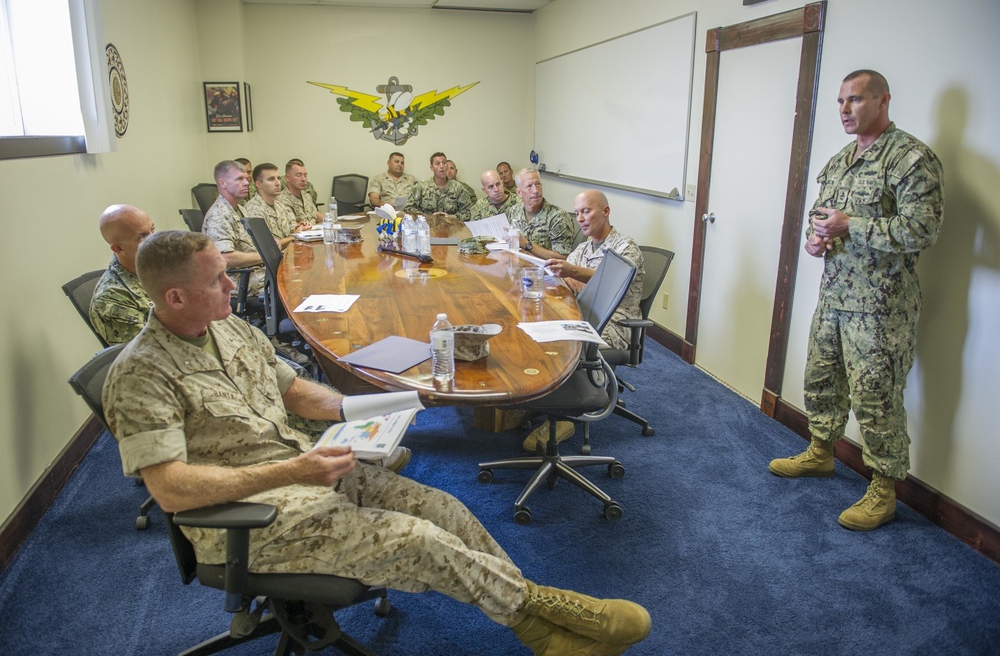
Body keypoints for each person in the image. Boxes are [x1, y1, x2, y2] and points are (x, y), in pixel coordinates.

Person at [104, 229, 652, 656]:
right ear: (175, 296)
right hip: (251, 519)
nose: (233, 287)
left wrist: (390, 403)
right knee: (421, 540)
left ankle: (538, 631)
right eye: (217, 280)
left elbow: (295, 393)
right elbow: (171, 490)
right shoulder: (142, 375)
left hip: (304, 470)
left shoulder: (228, 328)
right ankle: (552, 614)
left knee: (446, 509)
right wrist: (293, 472)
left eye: (227, 274)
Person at [768, 70, 944, 532]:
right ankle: (821, 452)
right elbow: (823, 216)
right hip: (835, 297)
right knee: (822, 377)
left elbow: (921, 230)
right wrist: (815, 239)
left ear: (883, 100)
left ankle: (884, 490)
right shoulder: (841, 160)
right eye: (840, 102)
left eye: (855, 100)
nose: (845, 110)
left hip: (881, 308)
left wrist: (853, 227)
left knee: (876, 397)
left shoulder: (909, 158)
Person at [528, 190, 645, 451]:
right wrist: (565, 275)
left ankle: (566, 416)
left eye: (587, 211)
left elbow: (612, 280)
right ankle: (535, 400)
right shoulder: (583, 248)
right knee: (532, 329)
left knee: (559, 346)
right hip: (580, 316)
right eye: (578, 212)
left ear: (605, 212)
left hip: (614, 326)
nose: (581, 218)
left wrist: (572, 272)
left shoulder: (626, 248)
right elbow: (567, 282)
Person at [89, 204, 156, 344]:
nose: (154, 239)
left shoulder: (163, 262)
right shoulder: (110, 301)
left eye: (153, 229)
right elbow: (150, 357)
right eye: (142, 237)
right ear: (119, 248)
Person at [200, 160, 265, 297]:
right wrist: (264, 256)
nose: (247, 183)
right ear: (222, 183)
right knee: (289, 283)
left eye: (246, 179)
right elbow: (225, 258)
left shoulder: (240, 209)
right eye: (239, 179)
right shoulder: (219, 215)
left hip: (255, 271)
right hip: (238, 280)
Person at [510, 168, 576, 260]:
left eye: (538, 184)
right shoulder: (514, 211)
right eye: (529, 186)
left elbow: (563, 258)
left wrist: (527, 245)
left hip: (544, 271)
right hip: (518, 265)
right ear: (519, 192)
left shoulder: (558, 217)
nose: (536, 190)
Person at [243, 162, 309, 250]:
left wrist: (299, 226)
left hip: (290, 253)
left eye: (278, 178)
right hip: (274, 261)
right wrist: (295, 235)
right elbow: (268, 246)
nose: (278, 183)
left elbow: (290, 228)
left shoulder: (279, 205)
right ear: (259, 184)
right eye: (271, 179)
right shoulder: (253, 209)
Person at [404, 152, 474, 219]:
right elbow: (409, 208)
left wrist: (450, 217)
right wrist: (427, 217)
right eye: (437, 163)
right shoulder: (421, 187)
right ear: (432, 168)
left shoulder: (458, 187)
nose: (441, 166)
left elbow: (467, 212)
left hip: (451, 227)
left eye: (444, 163)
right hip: (427, 227)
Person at [276, 158, 322, 226]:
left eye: (305, 175)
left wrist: (332, 222)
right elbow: (293, 227)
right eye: (298, 175)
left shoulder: (306, 196)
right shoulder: (281, 200)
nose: (303, 179)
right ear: (287, 178)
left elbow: (316, 215)